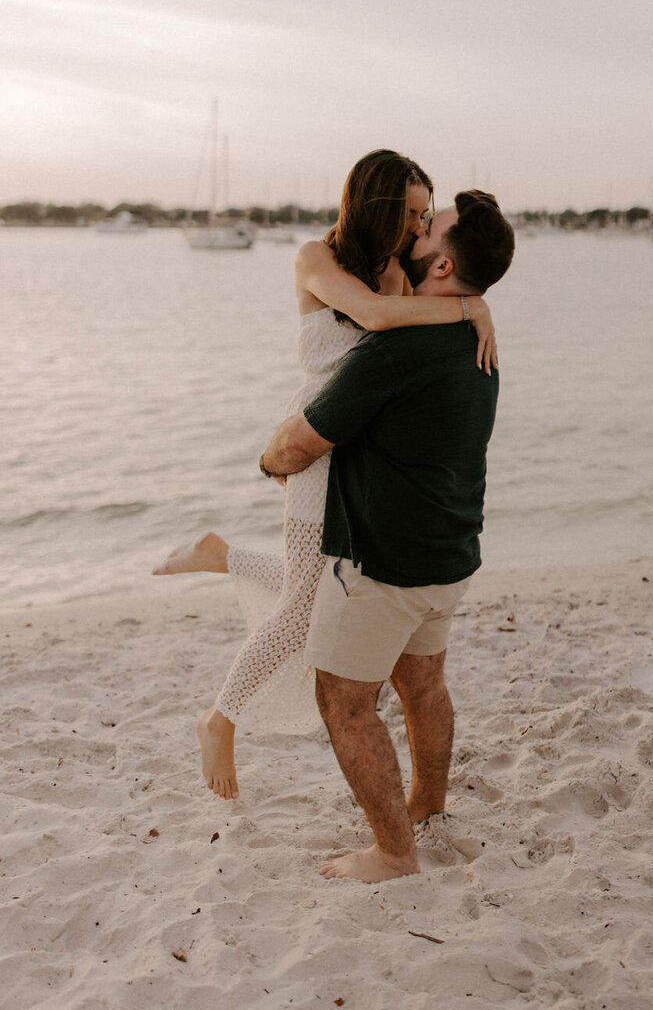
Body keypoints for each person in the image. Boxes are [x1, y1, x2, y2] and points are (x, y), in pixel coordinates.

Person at [153, 151, 497, 801]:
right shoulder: (316, 258)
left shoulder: (398, 272)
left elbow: (396, 340)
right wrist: (469, 308)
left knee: (319, 585)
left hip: (358, 445)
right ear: (377, 203)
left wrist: (472, 301)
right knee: (306, 605)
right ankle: (219, 717)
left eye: (428, 214)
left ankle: (220, 554)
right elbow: (376, 320)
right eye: (412, 211)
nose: (420, 226)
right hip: (314, 440)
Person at [255, 190, 515, 882]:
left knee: (344, 702)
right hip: (450, 555)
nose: (421, 229)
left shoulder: (394, 350)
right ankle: (427, 808)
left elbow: (302, 442)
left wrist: (269, 458)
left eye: (434, 228)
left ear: (441, 266)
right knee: (423, 684)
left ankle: (395, 852)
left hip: (382, 565)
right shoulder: (478, 338)